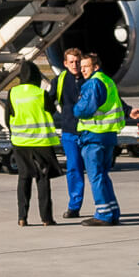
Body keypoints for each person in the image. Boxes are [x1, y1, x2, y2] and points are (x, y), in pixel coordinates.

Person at [74, 52, 128, 225]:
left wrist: (76, 107)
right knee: (103, 175)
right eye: (81, 67)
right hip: (108, 135)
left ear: (96, 67)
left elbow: (83, 110)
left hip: (94, 135)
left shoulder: (93, 83)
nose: (82, 70)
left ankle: (103, 214)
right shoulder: (107, 81)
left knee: (96, 176)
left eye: (86, 67)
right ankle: (112, 211)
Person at [6, 64, 59, 226]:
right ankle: (46, 218)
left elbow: (7, 117)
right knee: (43, 179)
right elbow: (51, 110)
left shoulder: (12, 93)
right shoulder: (41, 93)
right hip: (41, 142)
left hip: (20, 142)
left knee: (24, 177)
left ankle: (22, 217)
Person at [47, 47, 87, 217]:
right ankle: (74, 206)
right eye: (71, 62)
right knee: (73, 169)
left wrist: (128, 110)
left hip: (89, 131)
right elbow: (49, 102)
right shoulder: (60, 80)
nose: (75, 65)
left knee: (96, 171)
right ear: (65, 63)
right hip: (70, 131)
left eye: (77, 62)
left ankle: (103, 207)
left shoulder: (90, 78)